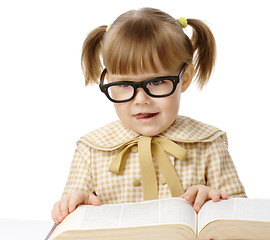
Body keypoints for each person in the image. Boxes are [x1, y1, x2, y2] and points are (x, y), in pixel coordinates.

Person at [51, 7, 246, 224]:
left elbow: (240, 217)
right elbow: (65, 220)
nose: (141, 99)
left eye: (156, 82)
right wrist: (76, 209)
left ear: (186, 78)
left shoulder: (209, 143)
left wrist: (216, 202)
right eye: (124, 84)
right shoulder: (91, 149)